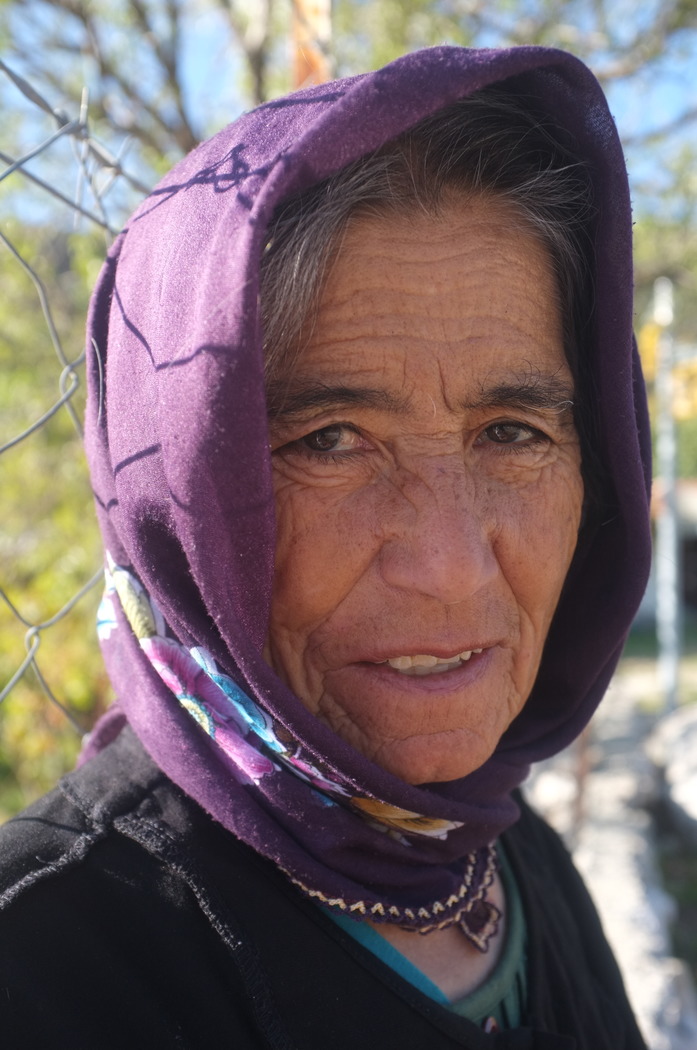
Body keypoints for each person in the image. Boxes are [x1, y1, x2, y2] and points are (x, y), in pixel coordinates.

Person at [0, 45, 651, 1048]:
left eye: (511, 433)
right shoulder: (49, 967)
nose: (449, 567)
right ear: (179, 500)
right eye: (329, 442)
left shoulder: (510, 858)